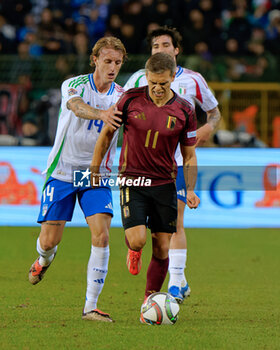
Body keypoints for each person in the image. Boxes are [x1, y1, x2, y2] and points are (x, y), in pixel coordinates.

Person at [91, 52, 200, 322]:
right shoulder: (129, 99)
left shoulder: (185, 110)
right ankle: (133, 249)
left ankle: (148, 301)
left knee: (162, 248)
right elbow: (107, 135)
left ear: (173, 77)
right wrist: (95, 168)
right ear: (147, 77)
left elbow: (189, 155)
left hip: (165, 183)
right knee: (138, 239)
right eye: (153, 82)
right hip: (133, 179)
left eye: (163, 83)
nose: (158, 88)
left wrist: (189, 189)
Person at [28, 36, 127, 322]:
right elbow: (76, 107)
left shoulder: (122, 95)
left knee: (102, 234)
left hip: (94, 172)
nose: (112, 68)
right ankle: (44, 260)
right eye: (107, 61)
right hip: (62, 171)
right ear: (94, 59)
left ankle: (90, 306)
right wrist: (103, 114)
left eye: (117, 63)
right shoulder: (74, 84)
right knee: (49, 241)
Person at [123, 26, 221, 303]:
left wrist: (205, 130)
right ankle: (178, 276)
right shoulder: (139, 80)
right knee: (147, 234)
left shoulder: (193, 80)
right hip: (141, 166)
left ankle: (176, 284)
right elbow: (119, 109)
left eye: (166, 45)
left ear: (176, 50)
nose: (161, 50)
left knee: (175, 223)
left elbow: (214, 112)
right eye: (156, 46)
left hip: (176, 163)